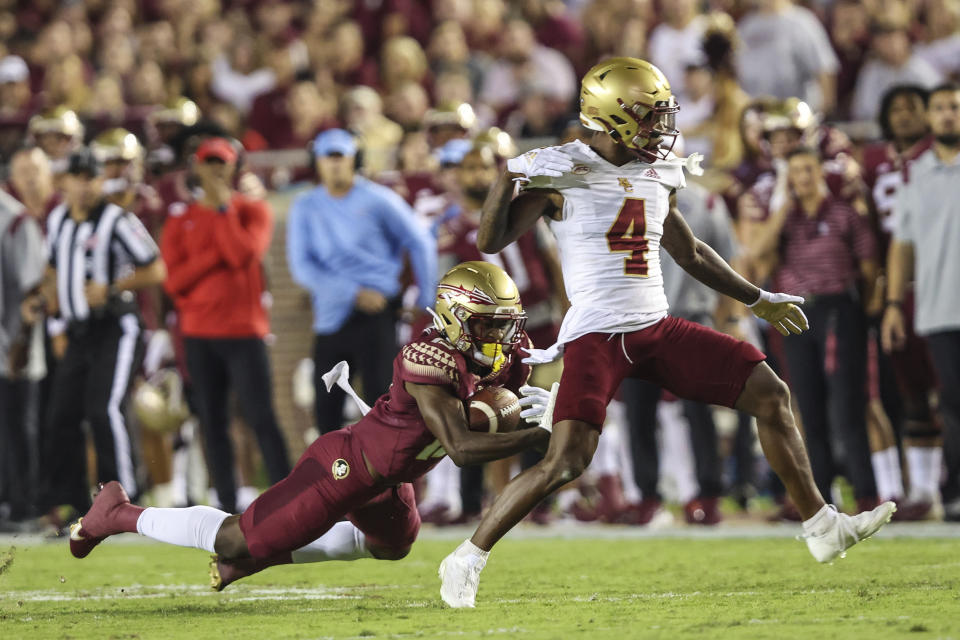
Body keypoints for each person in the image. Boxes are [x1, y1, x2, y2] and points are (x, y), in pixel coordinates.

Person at [439, 57, 897, 608]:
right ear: (611, 116)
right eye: (650, 116)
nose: (661, 127)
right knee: (566, 461)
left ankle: (822, 527)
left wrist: (757, 298)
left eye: (663, 114)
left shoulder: (659, 170)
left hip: (656, 326)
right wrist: (507, 175)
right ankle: (468, 555)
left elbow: (690, 251)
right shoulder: (560, 170)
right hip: (597, 335)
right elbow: (492, 241)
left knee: (772, 394)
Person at [67, 263, 550, 591]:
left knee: (392, 546)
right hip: (344, 468)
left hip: (389, 477)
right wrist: (539, 435)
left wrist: (545, 407)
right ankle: (117, 513)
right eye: (490, 326)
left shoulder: (499, 356)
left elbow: (509, 400)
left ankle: (257, 557)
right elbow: (463, 448)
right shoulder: (430, 359)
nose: (502, 338)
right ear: (454, 319)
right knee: (233, 536)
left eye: (506, 325)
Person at [26, 149, 166, 515]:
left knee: (104, 407)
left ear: (100, 181)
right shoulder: (58, 220)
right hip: (78, 331)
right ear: (65, 182)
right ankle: (72, 501)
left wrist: (115, 286)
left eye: (91, 178)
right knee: (62, 413)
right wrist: (50, 315)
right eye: (78, 177)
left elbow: (156, 270)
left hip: (117, 327)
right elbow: (53, 273)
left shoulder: (118, 220)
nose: (85, 186)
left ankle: (125, 499)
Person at [160, 137, 291, 514]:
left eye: (223, 162)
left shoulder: (253, 211)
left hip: (245, 331)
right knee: (211, 420)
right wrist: (211, 256)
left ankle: (286, 496)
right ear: (197, 167)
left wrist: (221, 211)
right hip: (199, 333)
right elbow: (174, 282)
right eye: (210, 162)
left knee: (260, 416)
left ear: (235, 167)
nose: (217, 169)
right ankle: (227, 501)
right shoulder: (179, 218)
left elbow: (243, 254)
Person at [753, 147, 880, 510]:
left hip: (838, 308)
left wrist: (866, 313)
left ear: (821, 172)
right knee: (808, 408)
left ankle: (867, 494)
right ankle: (821, 499)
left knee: (846, 406)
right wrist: (782, 208)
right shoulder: (785, 218)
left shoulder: (843, 213)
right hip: (797, 314)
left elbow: (869, 268)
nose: (803, 178)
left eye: (809, 169)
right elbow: (759, 252)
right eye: (795, 172)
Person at [286, 129, 437, 433]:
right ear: (316, 162)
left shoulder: (379, 199)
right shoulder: (305, 206)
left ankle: (387, 479)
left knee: (382, 408)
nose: (335, 164)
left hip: (377, 312)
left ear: (355, 159)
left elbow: (421, 241)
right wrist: (352, 292)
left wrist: (427, 299)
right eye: (328, 157)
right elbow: (301, 267)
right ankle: (334, 480)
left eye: (341, 156)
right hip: (330, 316)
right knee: (325, 413)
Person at [883, 83, 960, 522]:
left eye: (955, 107)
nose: (948, 115)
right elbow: (902, 244)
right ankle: (953, 493)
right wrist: (895, 303)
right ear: (930, 118)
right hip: (939, 308)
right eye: (941, 108)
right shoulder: (916, 174)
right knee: (952, 403)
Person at [862, 85, 939, 518]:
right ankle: (925, 490)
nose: (905, 115)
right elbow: (871, 224)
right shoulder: (873, 161)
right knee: (911, 388)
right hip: (898, 285)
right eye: (897, 108)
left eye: (914, 107)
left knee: (945, 387)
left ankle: (938, 483)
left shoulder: (942, 154)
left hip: (940, 279)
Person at [0, 189, 46, 526]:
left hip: (10, 346)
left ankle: (23, 505)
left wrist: (22, 343)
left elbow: (34, 289)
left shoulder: (15, 220)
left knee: (17, 428)